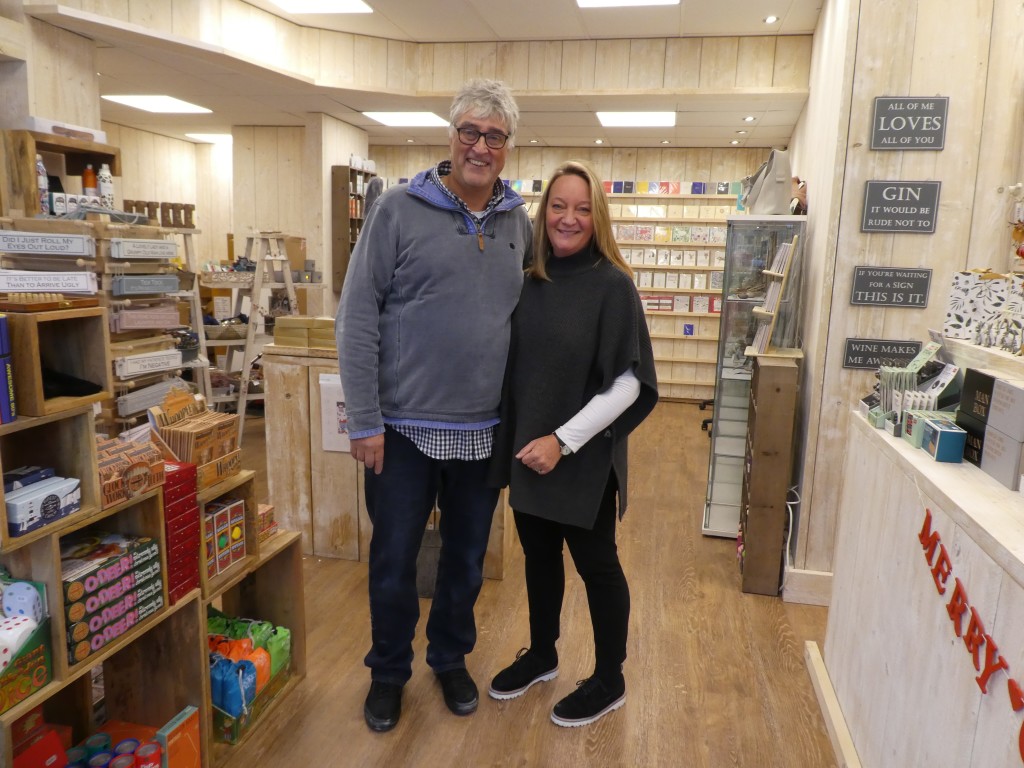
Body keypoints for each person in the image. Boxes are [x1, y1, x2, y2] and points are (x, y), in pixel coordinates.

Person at [335, 78, 532, 733]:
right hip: (401, 430)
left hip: (484, 432)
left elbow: (526, 319)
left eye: (494, 136)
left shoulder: (515, 221)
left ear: (507, 148)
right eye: (470, 132)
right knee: (393, 563)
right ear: (451, 138)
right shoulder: (397, 209)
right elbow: (357, 315)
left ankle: (449, 659)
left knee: (466, 562)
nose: (480, 146)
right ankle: (388, 673)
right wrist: (363, 419)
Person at [487, 160, 658, 727]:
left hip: (580, 455)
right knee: (538, 557)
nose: (569, 218)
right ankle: (542, 653)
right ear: (544, 213)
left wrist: (563, 440)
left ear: (597, 217)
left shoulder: (612, 285)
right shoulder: (530, 279)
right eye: (559, 206)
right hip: (529, 451)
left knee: (597, 566)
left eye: (583, 208)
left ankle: (610, 678)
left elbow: (629, 382)